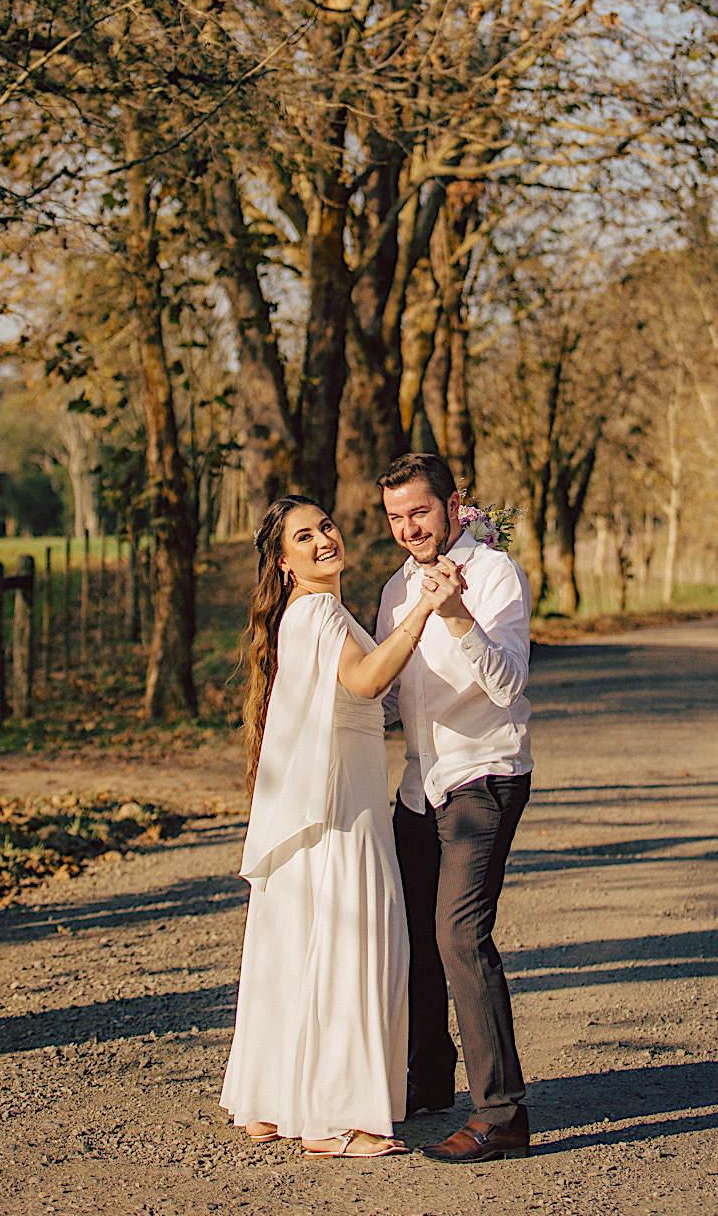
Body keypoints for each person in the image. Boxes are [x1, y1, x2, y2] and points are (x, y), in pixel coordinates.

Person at [219, 494, 435, 1158]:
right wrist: (425, 608)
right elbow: (368, 682)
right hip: (343, 812)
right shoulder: (316, 611)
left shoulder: (306, 614)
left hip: (316, 805)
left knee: (295, 951)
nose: (322, 541)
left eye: (326, 527)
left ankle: (270, 1104)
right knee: (354, 946)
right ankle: (342, 1118)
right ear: (285, 563)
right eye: (303, 537)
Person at [375, 453, 533, 1164]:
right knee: (412, 937)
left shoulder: (495, 575)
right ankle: (429, 1080)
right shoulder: (392, 589)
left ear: (452, 504)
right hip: (419, 784)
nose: (410, 527)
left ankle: (501, 1113)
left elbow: (506, 686)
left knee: (458, 936)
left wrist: (455, 612)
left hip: (484, 777)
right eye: (396, 517)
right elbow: (386, 695)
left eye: (421, 511)